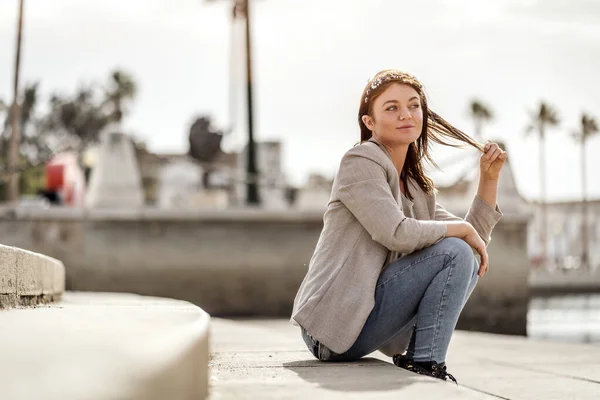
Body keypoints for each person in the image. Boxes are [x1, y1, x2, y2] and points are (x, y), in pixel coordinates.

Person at [290, 69, 506, 383]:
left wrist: (489, 178)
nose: (406, 114)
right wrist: (460, 231)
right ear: (369, 122)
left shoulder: (416, 188)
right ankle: (426, 362)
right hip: (330, 330)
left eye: (414, 105)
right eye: (391, 108)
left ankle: (424, 360)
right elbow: (396, 233)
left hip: (365, 322)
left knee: (462, 255)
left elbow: (468, 247)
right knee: (454, 248)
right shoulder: (360, 162)